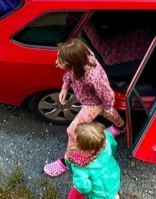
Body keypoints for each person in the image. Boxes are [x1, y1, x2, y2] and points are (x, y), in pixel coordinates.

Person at [44, 39, 126, 178]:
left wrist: (106, 107)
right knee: (109, 113)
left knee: (72, 131)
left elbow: (107, 94)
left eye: (61, 60)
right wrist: (65, 86)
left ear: (74, 62)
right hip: (89, 99)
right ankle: (121, 127)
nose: (57, 62)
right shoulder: (81, 56)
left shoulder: (93, 77)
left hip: (93, 104)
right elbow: (70, 73)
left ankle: (67, 162)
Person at [66, 122, 121, 199]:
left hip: (99, 194)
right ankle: (114, 196)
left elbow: (83, 186)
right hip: (114, 178)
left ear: (86, 150)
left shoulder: (80, 165)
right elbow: (114, 145)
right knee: (112, 192)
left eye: (77, 142)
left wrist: (88, 192)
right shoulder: (106, 138)